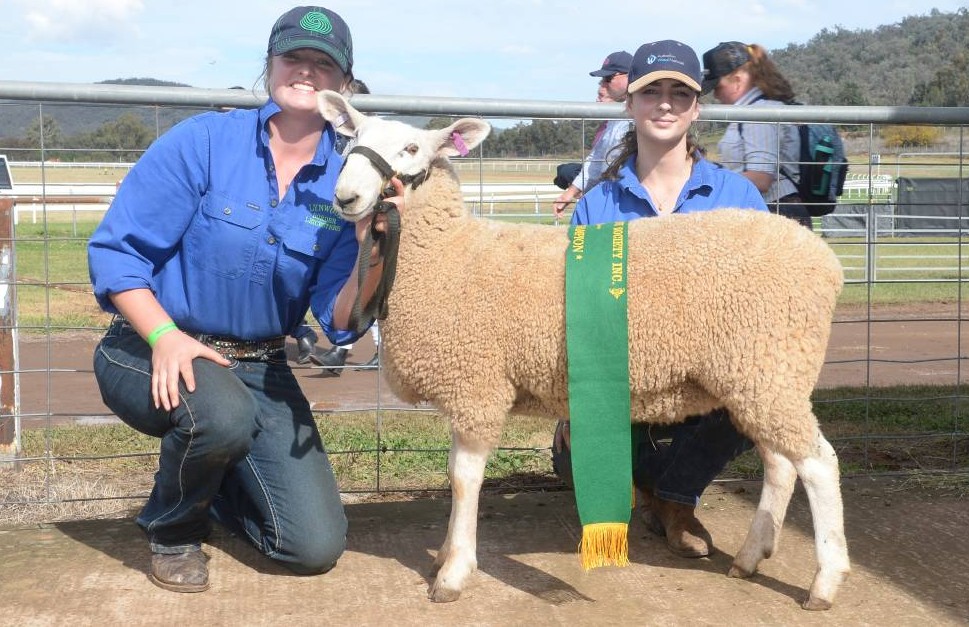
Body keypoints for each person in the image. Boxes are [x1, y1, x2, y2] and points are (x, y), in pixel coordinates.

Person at [88, 6, 402, 593]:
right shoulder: (204, 142)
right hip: (149, 343)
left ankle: (219, 485)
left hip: (259, 363)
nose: (306, 72)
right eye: (294, 58)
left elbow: (337, 323)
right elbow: (116, 255)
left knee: (312, 547)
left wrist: (372, 245)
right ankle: (173, 527)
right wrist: (164, 336)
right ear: (270, 65)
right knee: (220, 414)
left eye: (324, 64)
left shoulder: (343, 183)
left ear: (345, 85)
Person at [551, 40, 768, 558]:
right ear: (631, 104)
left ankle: (673, 499)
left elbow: (761, 302)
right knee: (570, 452)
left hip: (708, 383)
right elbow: (575, 309)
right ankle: (646, 489)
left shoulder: (738, 197)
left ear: (697, 107)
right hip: (621, 383)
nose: (665, 104)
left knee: (751, 398)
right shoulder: (597, 205)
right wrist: (569, 405)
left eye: (680, 93)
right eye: (652, 92)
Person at [700, 41, 812, 229]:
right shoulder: (751, 114)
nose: (716, 96)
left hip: (777, 212)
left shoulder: (759, 114)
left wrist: (714, 179)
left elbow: (761, 178)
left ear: (737, 80)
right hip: (772, 211)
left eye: (718, 87)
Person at [552, 51, 633, 217]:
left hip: (630, 203)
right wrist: (569, 193)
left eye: (608, 78)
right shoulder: (615, 116)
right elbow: (596, 160)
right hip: (611, 197)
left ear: (630, 77)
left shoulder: (643, 114)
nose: (602, 84)